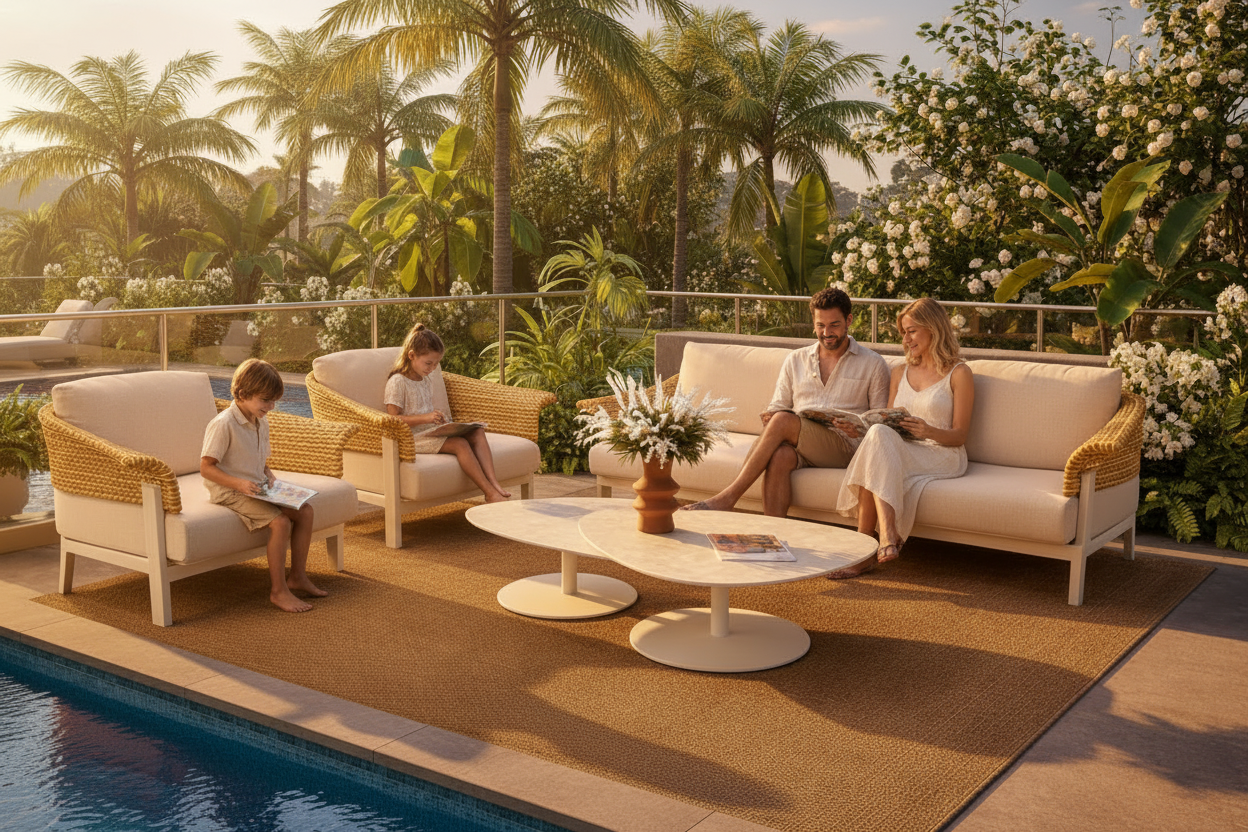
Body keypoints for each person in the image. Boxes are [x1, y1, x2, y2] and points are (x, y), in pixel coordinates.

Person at [681, 287, 890, 516]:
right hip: (802, 444)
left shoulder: (873, 363)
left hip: (846, 447)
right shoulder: (796, 359)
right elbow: (778, 404)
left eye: (834, 325)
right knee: (780, 454)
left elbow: (879, 424)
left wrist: (857, 427)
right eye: (820, 325)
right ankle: (774, 535)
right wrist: (770, 416)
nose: (826, 332)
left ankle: (728, 497)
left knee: (782, 421)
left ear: (848, 320)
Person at [831, 298, 975, 578]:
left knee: (878, 449)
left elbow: (960, 435)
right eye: (903, 333)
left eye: (912, 331)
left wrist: (928, 431)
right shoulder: (899, 371)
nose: (906, 339)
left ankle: (869, 547)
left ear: (933, 329)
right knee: (877, 435)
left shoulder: (959, 373)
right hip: (904, 448)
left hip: (944, 453)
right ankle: (884, 537)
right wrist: (859, 429)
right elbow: (885, 425)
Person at [201, 359, 324, 613]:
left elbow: (260, 460)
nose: (271, 406)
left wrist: (269, 475)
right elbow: (206, 467)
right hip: (230, 490)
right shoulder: (224, 424)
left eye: (273, 401)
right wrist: (239, 484)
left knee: (306, 510)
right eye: (265, 400)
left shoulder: (260, 420)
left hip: (256, 486)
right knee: (279, 522)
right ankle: (278, 592)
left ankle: (298, 576)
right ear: (243, 395)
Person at [385, 323, 511, 503]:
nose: (432, 368)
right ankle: (490, 493)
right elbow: (392, 420)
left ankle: (495, 484)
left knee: (476, 431)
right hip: (410, 438)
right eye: (429, 363)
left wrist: (439, 419)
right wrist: (425, 418)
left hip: (428, 432)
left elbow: (424, 409)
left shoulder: (425, 379)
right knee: (459, 444)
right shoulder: (397, 382)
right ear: (411, 355)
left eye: (436, 363)